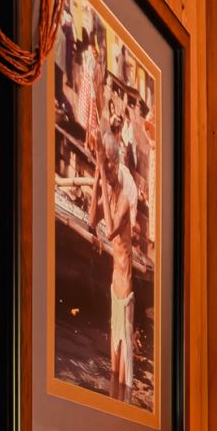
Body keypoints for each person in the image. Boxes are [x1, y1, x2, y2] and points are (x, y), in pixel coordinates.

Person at [90, 114, 138, 401]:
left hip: (126, 294)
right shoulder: (108, 191)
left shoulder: (124, 202)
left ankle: (126, 409)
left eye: (107, 167)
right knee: (112, 371)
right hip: (113, 289)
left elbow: (108, 230)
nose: (106, 172)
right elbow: (91, 219)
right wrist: (97, 177)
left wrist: (103, 172)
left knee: (124, 378)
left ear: (115, 166)